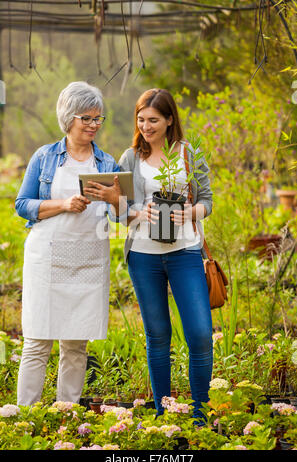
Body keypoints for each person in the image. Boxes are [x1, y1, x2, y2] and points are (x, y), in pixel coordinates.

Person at [90, 88, 213, 424]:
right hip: (143, 256)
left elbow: (208, 202)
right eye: (141, 119)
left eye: (154, 120)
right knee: (158, 335)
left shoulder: (189, 154)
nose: (146, 126)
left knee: (200, 334)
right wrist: (134, 212)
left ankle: (202, 416)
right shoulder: (130, 158)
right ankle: (163, 416)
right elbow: (116, 212)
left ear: (170, 119)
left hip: (185, 253)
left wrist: (190, 213)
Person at [15, 81, 121, 406]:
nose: (93, 125)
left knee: (75, 344)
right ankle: (26, 418)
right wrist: (63, 205)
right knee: (37, 341)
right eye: (86, 118)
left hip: (88, 260)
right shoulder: (45, 157)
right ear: (68, 118)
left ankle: (67, 416)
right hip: (46, 259)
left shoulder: (106, 164)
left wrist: (116, 198)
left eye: (98, 118)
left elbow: (122, 217)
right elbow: (22, 204)